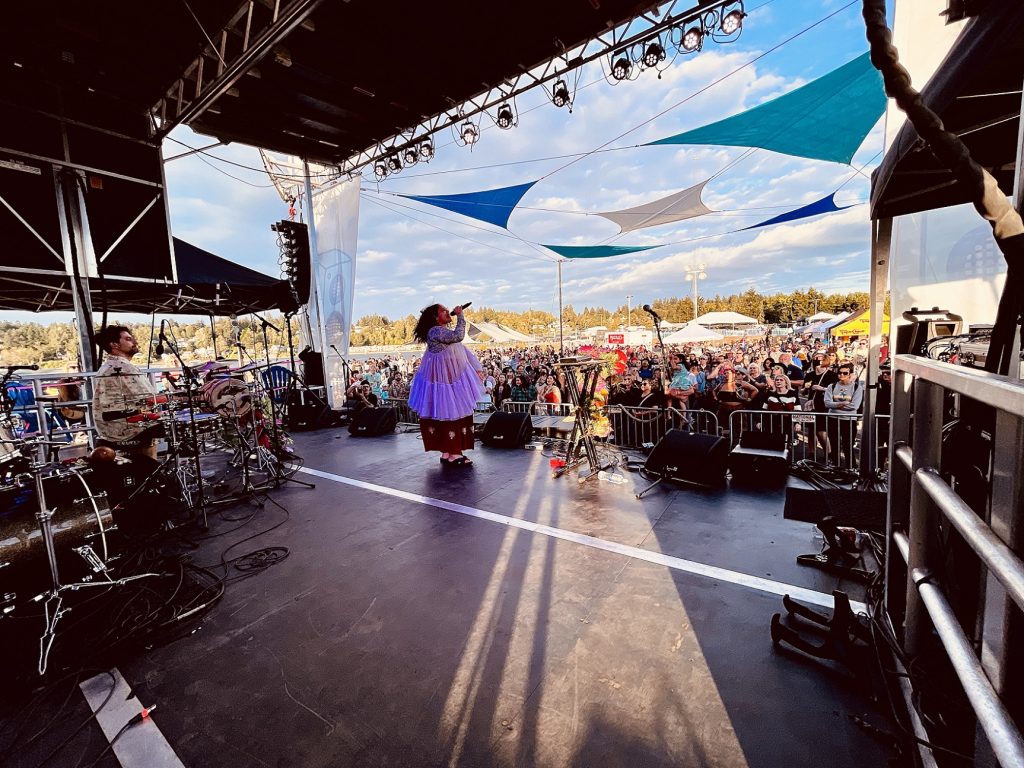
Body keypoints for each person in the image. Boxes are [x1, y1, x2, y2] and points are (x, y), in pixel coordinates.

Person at [408, 303, 482, 466]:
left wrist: (476, 367)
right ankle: (455, 453)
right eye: (443, 311)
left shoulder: (441, 332)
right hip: (446, 384)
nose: (448, 312)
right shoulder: (435, 331)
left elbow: (460, 349)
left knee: (445, 414)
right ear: (436, 317)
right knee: (452, 414)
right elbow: (458, 336)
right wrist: (460, 315)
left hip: (447, 382)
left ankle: (448, 452)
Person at [91, 325, 164, 461]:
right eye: (129, 339)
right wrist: (187, 397)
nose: (135, 342)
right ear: (114, 345)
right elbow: (149, 399)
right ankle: (153, 472)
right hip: (128, 429)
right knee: (180, 424)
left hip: (112, 427)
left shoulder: (108, 366)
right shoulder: (123, 367)